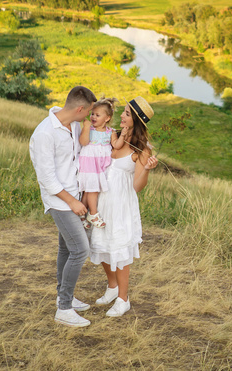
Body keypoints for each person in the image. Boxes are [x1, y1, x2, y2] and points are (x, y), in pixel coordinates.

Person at [28, 85, 98, 328]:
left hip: (75, 196)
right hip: (60, 201)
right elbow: (47, 179)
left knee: (66, 249)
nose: (89, 116)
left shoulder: (75, 125)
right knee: (81, 249)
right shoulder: (44, 133)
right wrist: (73, 202)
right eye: (88, 112)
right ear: (79, 108)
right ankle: (64, 308)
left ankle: (63, 295)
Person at [88, 96, 159, 317]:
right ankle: (112, 287)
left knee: (120, 249)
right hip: (103, 199)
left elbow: (137, 186)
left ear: (135, 120)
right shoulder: (112, 136)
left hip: (121, 203)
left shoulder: (142, 148)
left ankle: (123, 299)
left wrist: (146, 168)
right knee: (101, 245)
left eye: (126, 113)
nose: (121, 115)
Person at [76, 97, 130, 229]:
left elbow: (116, 145)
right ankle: (93, 214)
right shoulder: (90, 129)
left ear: (107, 118)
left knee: (89, 190)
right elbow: (83, 142)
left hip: (100, 165)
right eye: (92, 113)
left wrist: (122, 135)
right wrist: (86, 128)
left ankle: (82, 215)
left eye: (97, 115)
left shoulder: (110, 132)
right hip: (89, 162)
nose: (93, 117)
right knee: (92, 188)